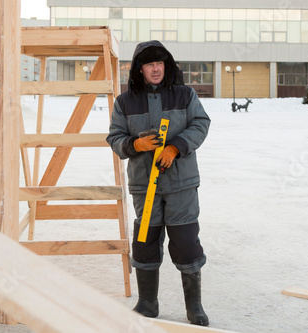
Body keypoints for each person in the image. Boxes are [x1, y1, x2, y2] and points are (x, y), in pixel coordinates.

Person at [106, 40, 211, 326]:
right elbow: (114, 138)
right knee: (145, 242)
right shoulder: (124, 102)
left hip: (181, 185)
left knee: (186, 243)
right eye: (150, 64)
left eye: (160, 63)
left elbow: (201, 124)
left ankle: (194, 307)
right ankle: (147, 303)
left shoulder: (185, 95)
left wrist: (176, 146)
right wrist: (135, 144)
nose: (156, 69)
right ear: (139, 69)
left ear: (167, 66)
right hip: (144, 186)